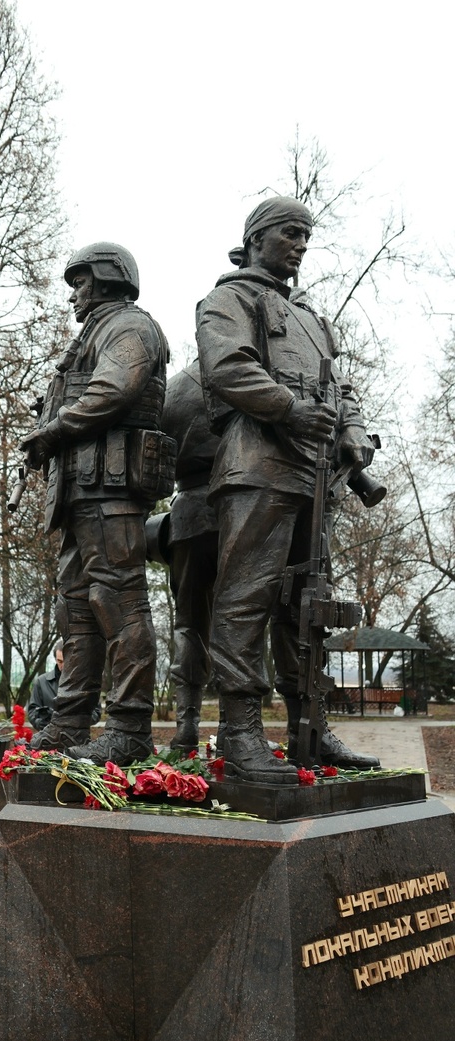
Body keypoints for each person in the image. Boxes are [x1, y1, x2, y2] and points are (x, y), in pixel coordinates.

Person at [196, 196, 380, 784]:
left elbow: (340, 387)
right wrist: (289, 409)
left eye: (305, 235)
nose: (300, 244)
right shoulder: (229, 299)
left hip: (315, 474)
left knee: (307, 605)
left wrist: (353, 433)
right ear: (255, 239)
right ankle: (241, 730)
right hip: (258, 463)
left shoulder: (314, 319)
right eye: (289, 233)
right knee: (246, 596)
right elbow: (227, 368)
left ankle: (312, 725)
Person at [20, 242, 172, 767]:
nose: (73, 297)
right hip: (81, 492)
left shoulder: (130, 327)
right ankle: (70, 719)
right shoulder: (91, 334)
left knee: (120, 602)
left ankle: (130, 727)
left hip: (111, 488)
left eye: (79, 284)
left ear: (108, 279)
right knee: (77, 608)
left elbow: (112, 391)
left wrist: (53, 431)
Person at [158, 359, 220, 753]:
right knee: (239, 623)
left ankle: (187, 728)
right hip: (241, 508)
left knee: (189, 625)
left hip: (187, 516)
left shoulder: (173, 388)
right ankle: (234, 727)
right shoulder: (246, 376)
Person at [27, 639, 102, 732]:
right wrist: (40, 722)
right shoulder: (41, 682)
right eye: (60, 661)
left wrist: (76, 719)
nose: (63, 665)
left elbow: (96, 713)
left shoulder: (85, 682)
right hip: (49, 738)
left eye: (67, 661)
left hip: (78, 739)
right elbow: (32, 711)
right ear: (55, 659)